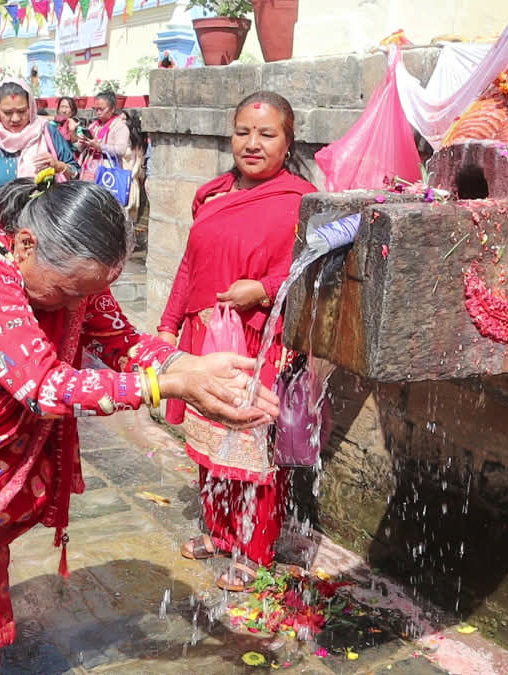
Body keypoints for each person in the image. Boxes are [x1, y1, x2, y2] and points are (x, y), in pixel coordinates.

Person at [0, 175, 279, 675]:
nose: (72, 309)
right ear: (25, 245)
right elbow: (45, 388)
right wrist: (166, 388)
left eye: (84, 295)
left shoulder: (73, 275)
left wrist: (193, 367)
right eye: (67, 293)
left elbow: (120, 342)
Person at [157, 91, 317, 592]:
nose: (252, 143)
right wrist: (167, 326)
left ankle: (254, 547)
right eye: (242, 132)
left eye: (267, 134)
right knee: (208, 436)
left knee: (252, 444)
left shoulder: (300, 202)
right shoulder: (212, 195)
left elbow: (311, 269)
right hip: (205, 336)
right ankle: (220, 531)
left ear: (288, 142)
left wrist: (263, 289)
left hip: (261, 338)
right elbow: (190, 264)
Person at [0, 78, 78, 221]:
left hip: (45, 230)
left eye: (22, 111)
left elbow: (76, 173)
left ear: (31, 107)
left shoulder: (47, 133)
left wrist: (59, 166)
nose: (15, 118)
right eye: (8, 112)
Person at [77, 91, 129, 182]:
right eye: (96, 109)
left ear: (112, 109)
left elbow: (121, 150)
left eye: (101, 109)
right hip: (88, 171)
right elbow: (80, 149)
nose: (98, 112)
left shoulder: (119, 126)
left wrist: (100, 146)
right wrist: (83, 143)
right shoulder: (94, 125)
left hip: (107, 173)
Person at [119, 109, 148, 225]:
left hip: (129, 180)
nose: (120, 122)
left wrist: (131, 177)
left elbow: (139, 162)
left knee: (127, 214)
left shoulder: (136, 141)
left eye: (124, 119)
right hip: (116, 177)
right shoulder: (116, 137)